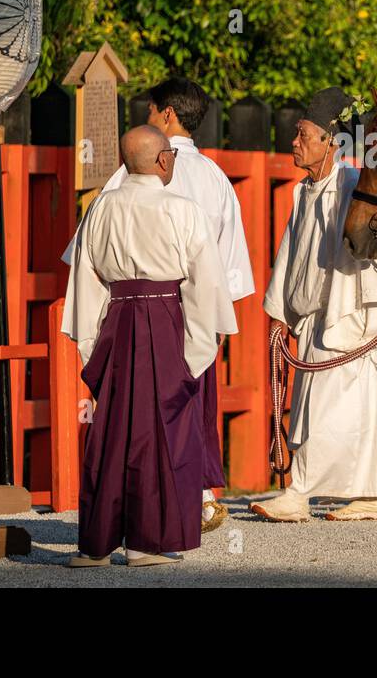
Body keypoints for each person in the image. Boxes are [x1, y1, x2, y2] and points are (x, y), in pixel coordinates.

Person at [62, 77, 253, 532]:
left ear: (167, 114)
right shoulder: (217, 178)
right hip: (191, 306)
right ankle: (198, 495)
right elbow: (226, 262)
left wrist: (89, 328)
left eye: (151, 111)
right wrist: (215, 321)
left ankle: (122, 511)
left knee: (126, 411)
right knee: (189, 406)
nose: (148, 120)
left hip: (128, 310)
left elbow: (86, 257)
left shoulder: (131, 170)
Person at [250, 87, 377, 523]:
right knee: (320, 410)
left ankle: (299, 493)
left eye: (303, 133)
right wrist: (278, 314)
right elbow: (289, 254)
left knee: (329, 411)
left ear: (331, 140)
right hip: (313, 321)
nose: (294, 141)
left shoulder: (351, 186)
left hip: (347, 319)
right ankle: (372, 495)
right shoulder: (305, 191)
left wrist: (371, 314)